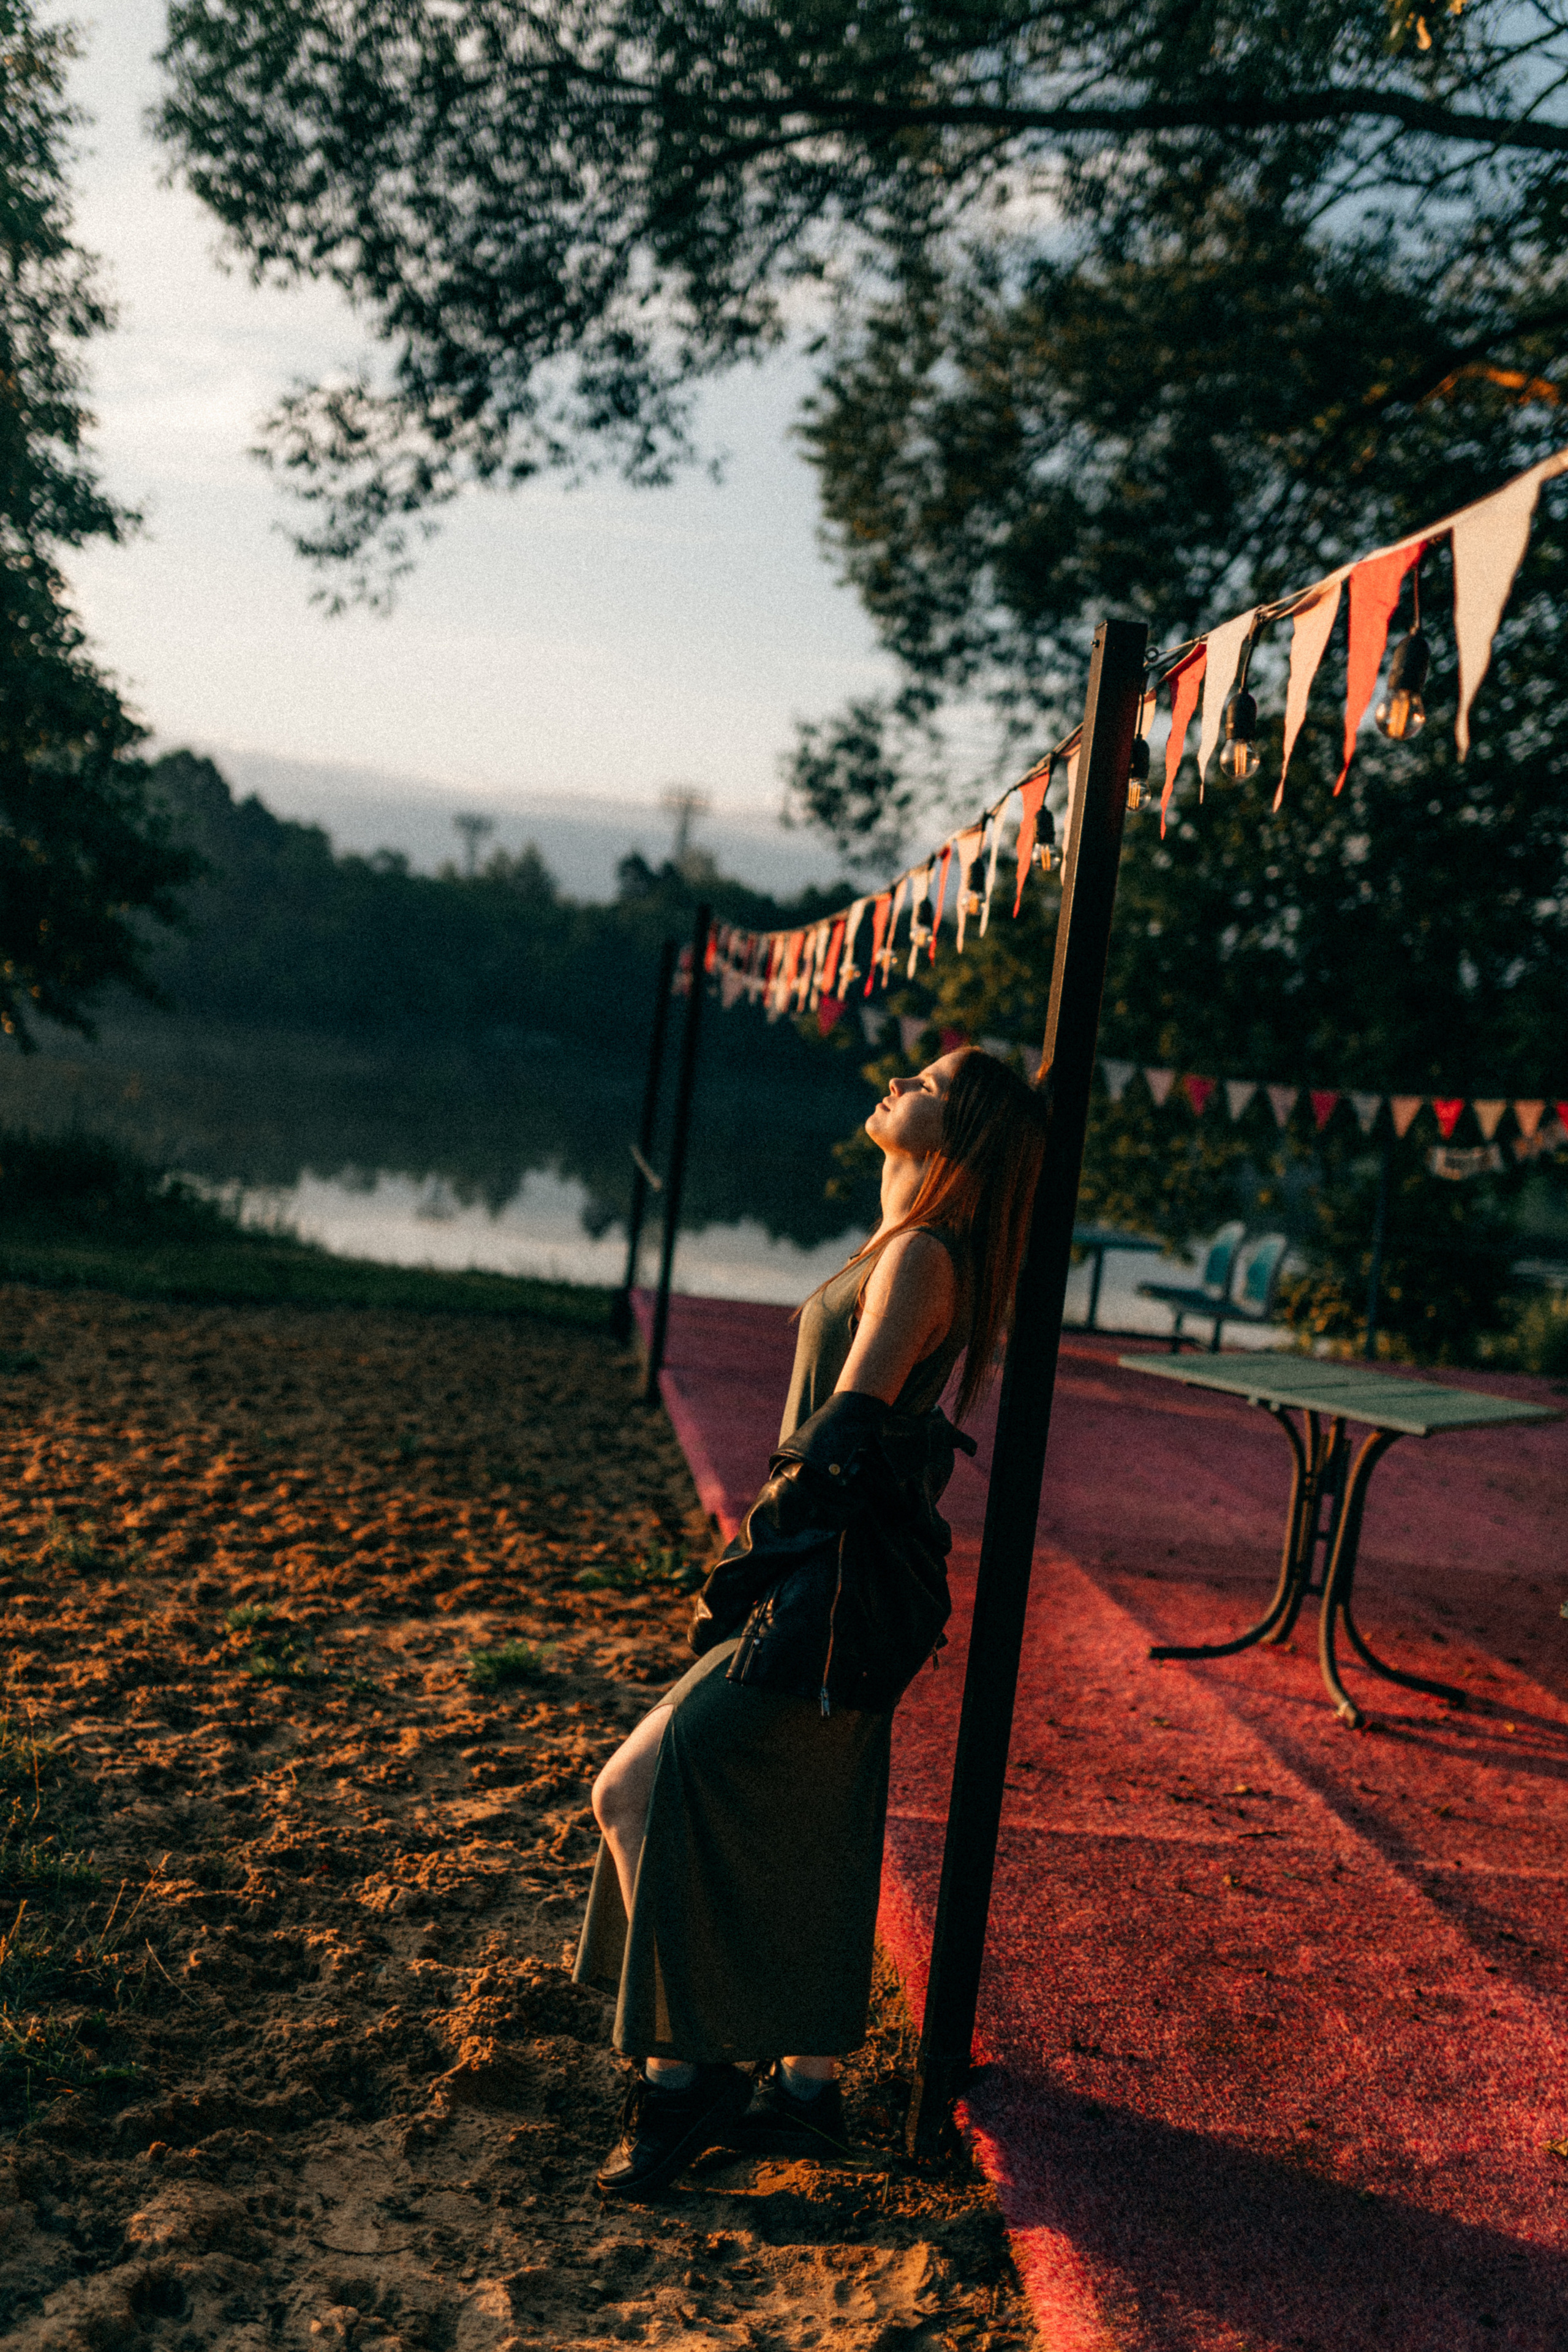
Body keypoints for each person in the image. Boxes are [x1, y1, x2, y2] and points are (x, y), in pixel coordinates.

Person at [574, 1044, 1050, 2198]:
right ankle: (802, 2087)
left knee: (636, 1789)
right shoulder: (907, 1245)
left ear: (960, 1136)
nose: (901, 1081)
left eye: (929, 1083)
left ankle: (689, 2076)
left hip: (823, 1593)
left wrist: (741, 1573)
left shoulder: (925, 1257)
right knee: (797, 1818)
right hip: (832, 1585)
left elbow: (839, 1441)